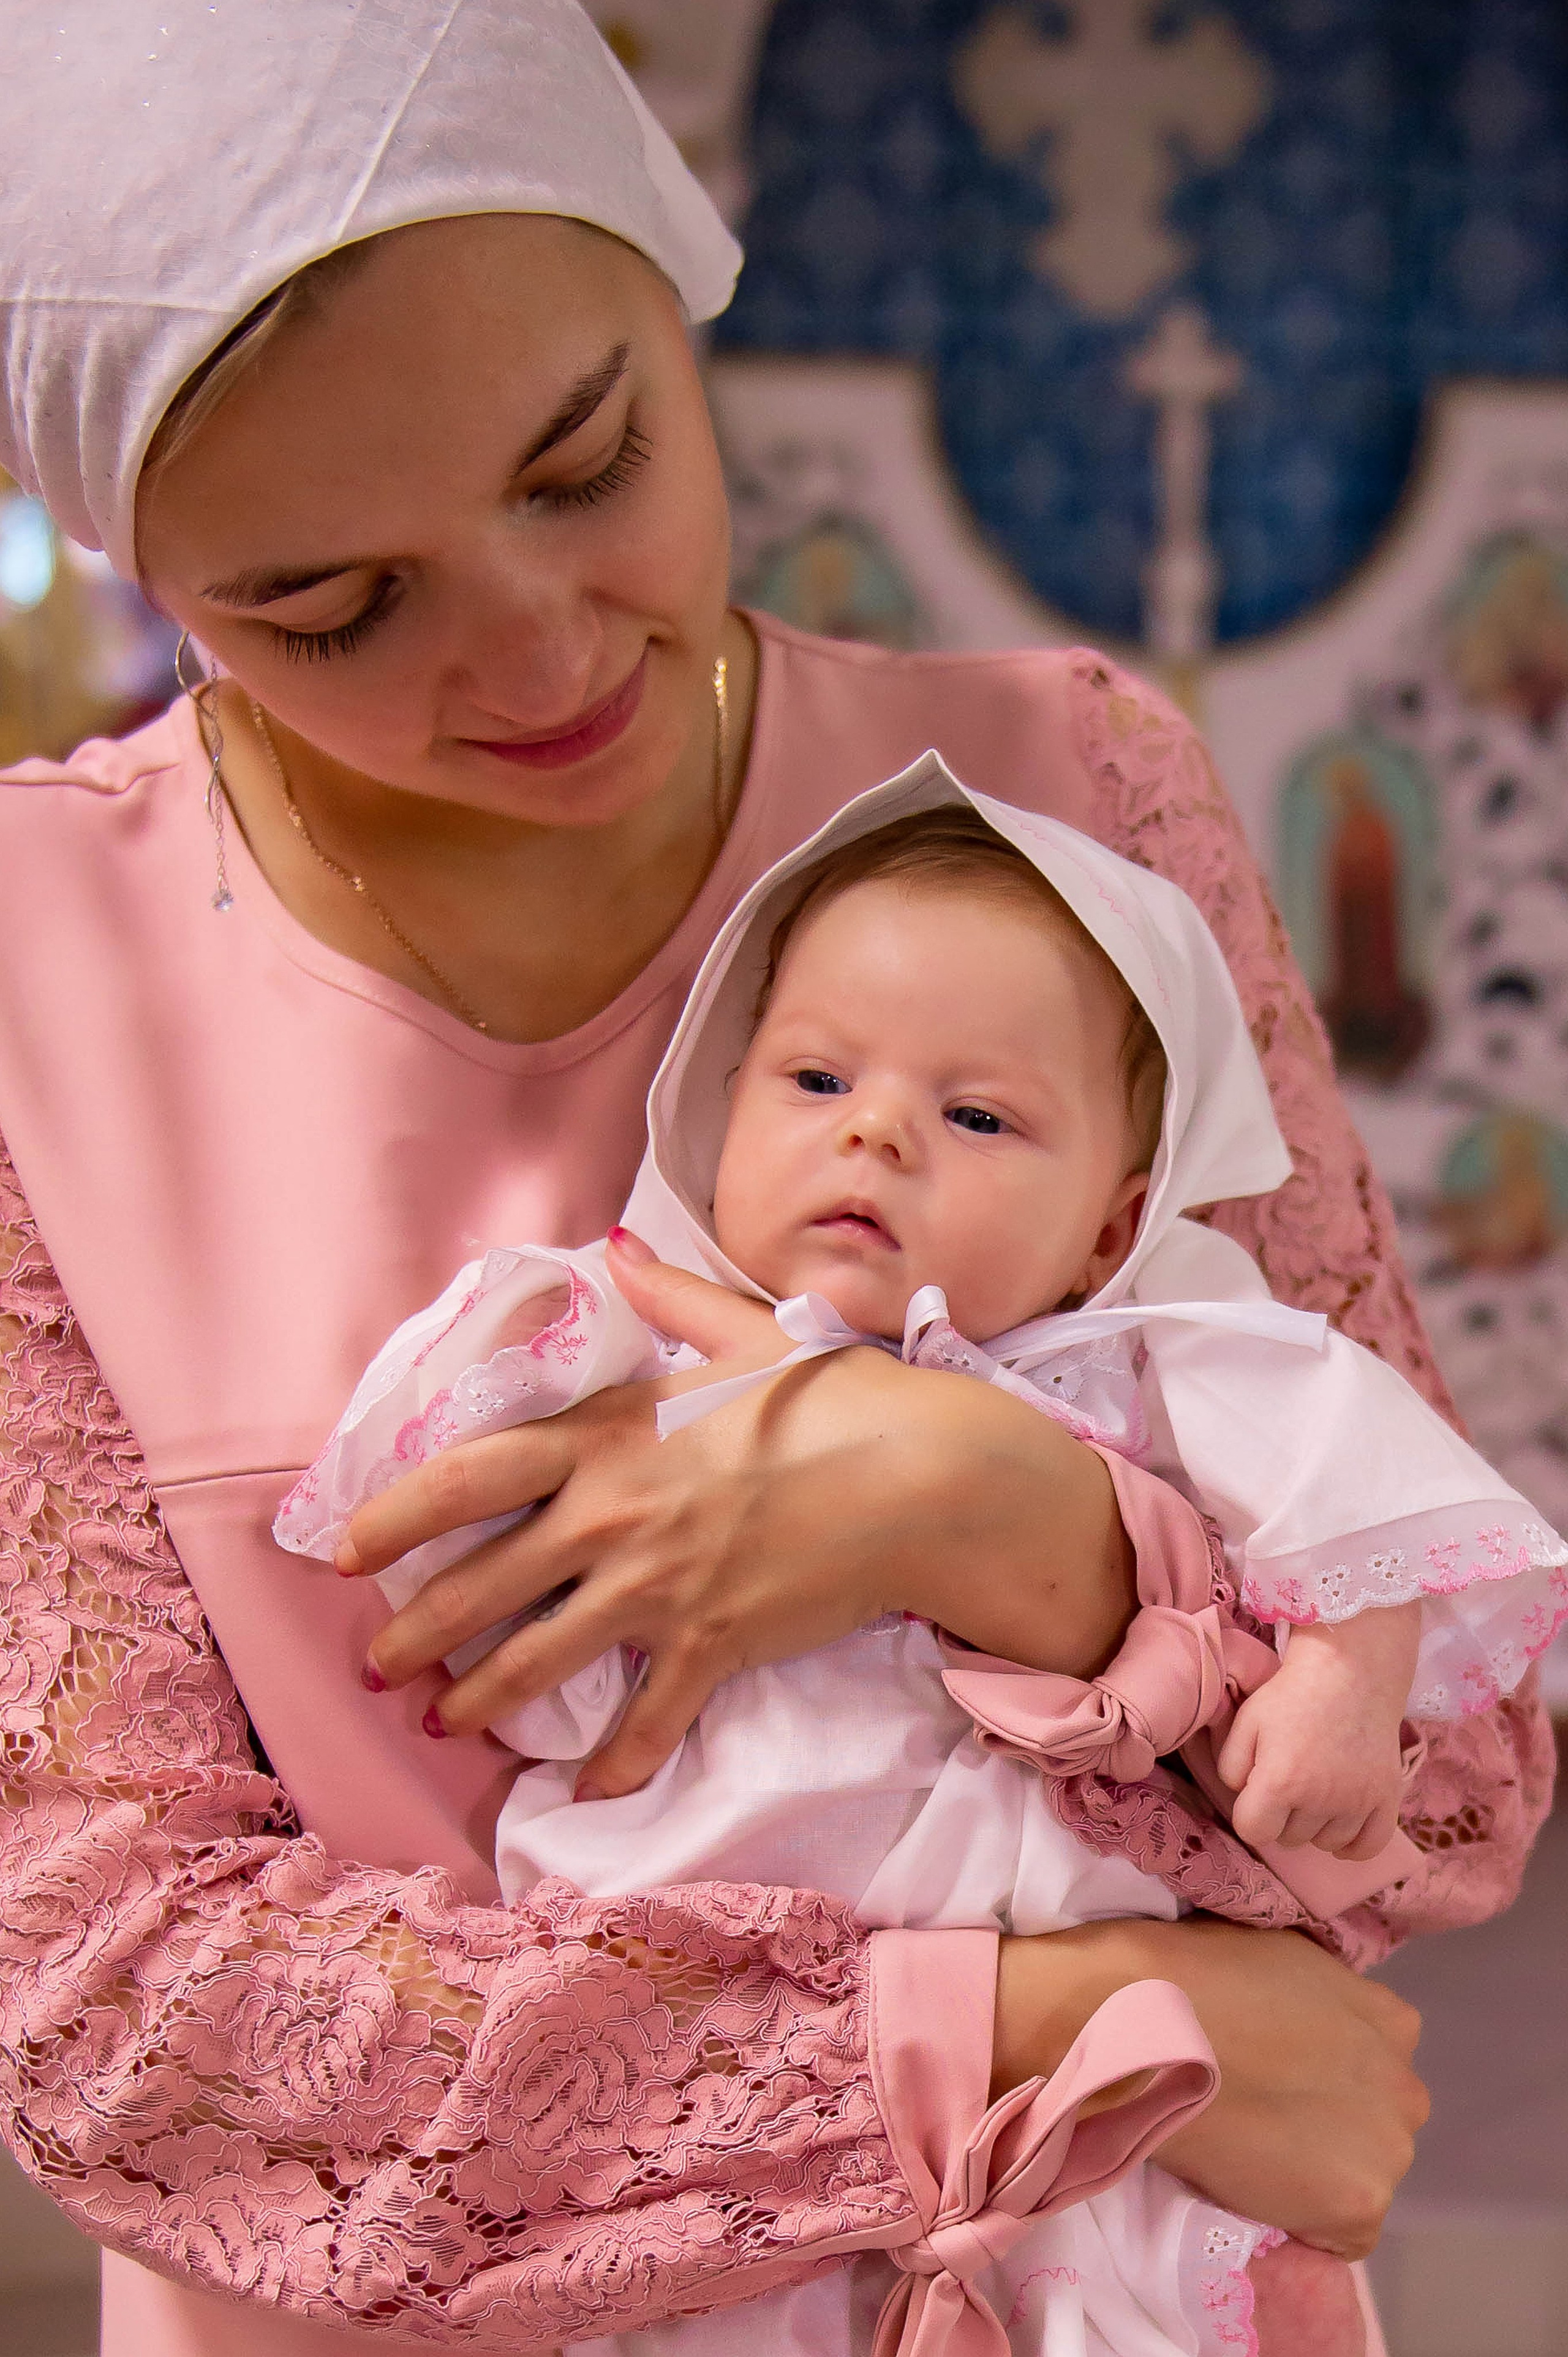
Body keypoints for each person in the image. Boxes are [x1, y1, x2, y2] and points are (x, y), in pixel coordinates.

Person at [0, 4, 1532, 2353]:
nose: (533, 650)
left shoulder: (1069, 793)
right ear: (146, 571)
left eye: (586, 461)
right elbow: (105, 2020)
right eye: (334, 607)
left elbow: (1443, 1775)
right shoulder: (35, 980)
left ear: (674, 266)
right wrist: (1037, 2034)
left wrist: (991, 1520)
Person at [281, 777, 1567, 2356]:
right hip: (747, 2062)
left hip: (1090, 2096)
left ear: (1109, 1230)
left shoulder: (1144, 1364)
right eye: (816, 1076)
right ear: (716, 1101)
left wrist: (1345, 1681)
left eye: (978, 1117)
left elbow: (1360, 1493)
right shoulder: (643, 1349)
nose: (876, 1129)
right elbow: (452, 1529)